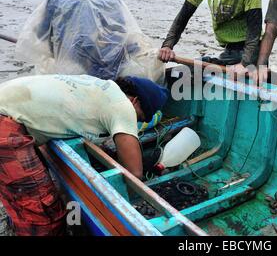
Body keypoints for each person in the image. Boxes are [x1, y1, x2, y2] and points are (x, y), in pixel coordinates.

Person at [0, 74, 168, 235]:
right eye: (139, 117)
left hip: (8, 108)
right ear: (135, 100)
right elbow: (134, 172)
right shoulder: (123, 105)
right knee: (43, 213)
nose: (136, 122)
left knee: (20, 196)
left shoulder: (99, 86)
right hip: (5, 127)